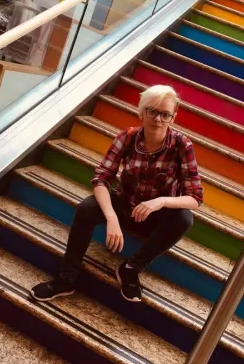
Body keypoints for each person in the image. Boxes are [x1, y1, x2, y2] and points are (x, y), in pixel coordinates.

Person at [31, 85, 204, 303]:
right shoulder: (127, 138)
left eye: (165, 114)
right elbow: (101, 178)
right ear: (141, 112)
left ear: (173, 118)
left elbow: (195, 198)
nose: (158, 119)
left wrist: (160, 201)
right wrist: (111, 217)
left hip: (155, 217)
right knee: (86, 208)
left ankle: (131, 268)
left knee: (184, 217)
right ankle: (66, 279)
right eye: (152, 111)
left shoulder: (181, 145)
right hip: (124, 204)